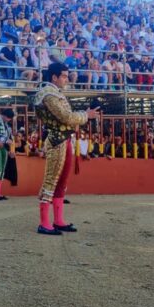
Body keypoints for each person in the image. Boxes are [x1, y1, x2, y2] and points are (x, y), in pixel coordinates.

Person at [33, 62, 99, 235]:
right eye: (63, 76)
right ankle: (44, 223)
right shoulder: (48, 94)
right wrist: (86, 115)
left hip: (64, 139)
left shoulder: (55, 93)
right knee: (51, 180)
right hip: (56, 141)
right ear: (54, 77)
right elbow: (66, 117)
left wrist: (84, 114)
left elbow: (68, 118)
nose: (67, 79)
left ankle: (58, 220)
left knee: (61, 182)